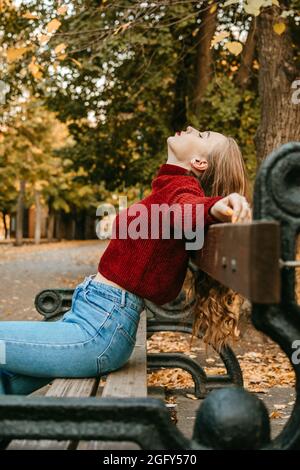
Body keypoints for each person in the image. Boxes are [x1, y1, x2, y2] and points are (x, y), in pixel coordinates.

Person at [0, 126, 251, 395]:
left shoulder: (181, 191)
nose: (191, 128)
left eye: (202, 136)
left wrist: (215, 207)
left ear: (199, 163)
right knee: (5, 380)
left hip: (97, 332)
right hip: (94, 323)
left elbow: (186, 209)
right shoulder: (169, 187)